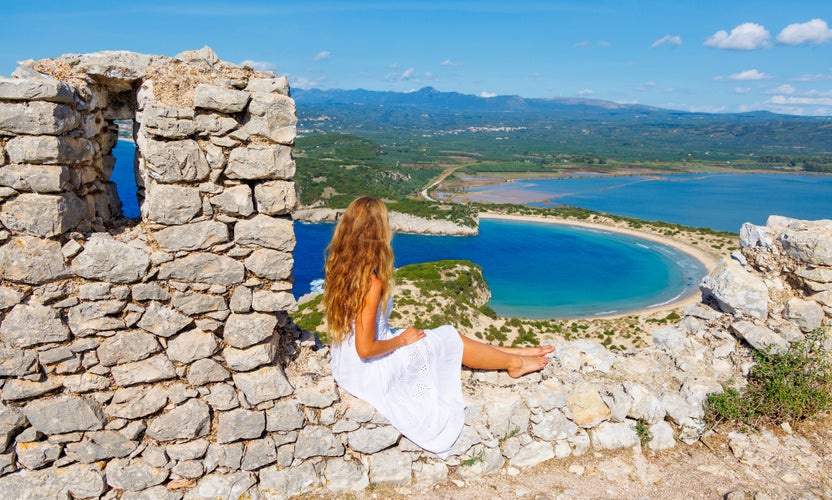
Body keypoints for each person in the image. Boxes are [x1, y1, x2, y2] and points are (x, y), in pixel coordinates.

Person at [324, 196, 553, 458]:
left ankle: (513, 353)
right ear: (377, 232)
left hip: (347, 363)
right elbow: (365, 349)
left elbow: (350, 329)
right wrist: (402, 340)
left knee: (445, 336)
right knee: (446, 336)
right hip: (368, 368)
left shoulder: (340, 268)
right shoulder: (371, 283)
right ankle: (514, 363)